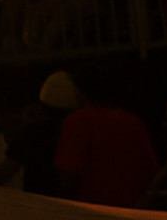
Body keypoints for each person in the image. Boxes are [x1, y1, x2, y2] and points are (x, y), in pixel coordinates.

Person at [44, 71, 159, 208]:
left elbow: (68, 173)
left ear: (80, 92)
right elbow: (150, 170)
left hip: (91, 210)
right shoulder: (133, 121)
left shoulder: (78, 121)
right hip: (131, 209)